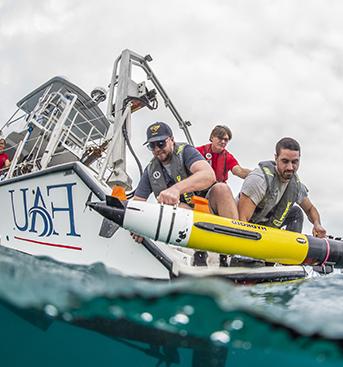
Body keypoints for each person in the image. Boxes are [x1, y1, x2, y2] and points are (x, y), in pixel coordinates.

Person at [131, 122, 239, 262]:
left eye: (161, 143)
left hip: (210, 212)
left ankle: (236, 249)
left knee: (221, 189)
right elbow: (138, 202)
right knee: (175, 207)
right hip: (187, 225)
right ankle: (199, 254)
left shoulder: (186, 151)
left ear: (171, 140)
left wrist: (176, 189)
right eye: (152, 146)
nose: (157, 148)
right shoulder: (150, 170)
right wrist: (137, 225)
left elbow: (208, 175)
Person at [238, 137, 326, 238]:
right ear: (276, 158)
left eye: (294, 162)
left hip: (268, 226)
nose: (290, 167)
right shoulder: (259, 180)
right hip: (250, 226)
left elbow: (310, 209)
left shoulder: (296, 185)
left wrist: (317, 224)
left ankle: (291, 249)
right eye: (285, 161)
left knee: (296, 212)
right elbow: (242, 221)